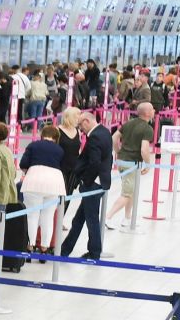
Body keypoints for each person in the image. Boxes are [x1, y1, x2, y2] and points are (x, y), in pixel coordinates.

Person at [61, 111, 111, 261]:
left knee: (91, 219)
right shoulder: (104, 131)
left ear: (87, 122)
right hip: (100, 182)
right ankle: (65, 250)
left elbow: (94, 162)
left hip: (93, 185)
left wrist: (85, 181)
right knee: (79, 219)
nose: (80, 130)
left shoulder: (95, 137)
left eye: (81, 126)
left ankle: (94, 252)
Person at [20, 127, 69, 253]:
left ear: (43, 135)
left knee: (32, 215)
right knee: (48, 216)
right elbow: (64, 167)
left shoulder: (33, 145)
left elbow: (23, 163)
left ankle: (30, 245)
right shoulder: (60, 150)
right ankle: (44, 247)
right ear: (56, 137)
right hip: (54, 183)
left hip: (34, 181)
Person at [106, 101, 154, 228]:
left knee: (131, 192)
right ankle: (108, 216)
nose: (154, 111)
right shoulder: (147, 129)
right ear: (148, 113)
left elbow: (114, 138)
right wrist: (148, 164)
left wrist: (118, 151)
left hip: (122, 161)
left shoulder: (128, 123)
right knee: (127, 193)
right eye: (152, 109)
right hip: (132, 163)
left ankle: (127, 218)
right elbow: (144, 149)